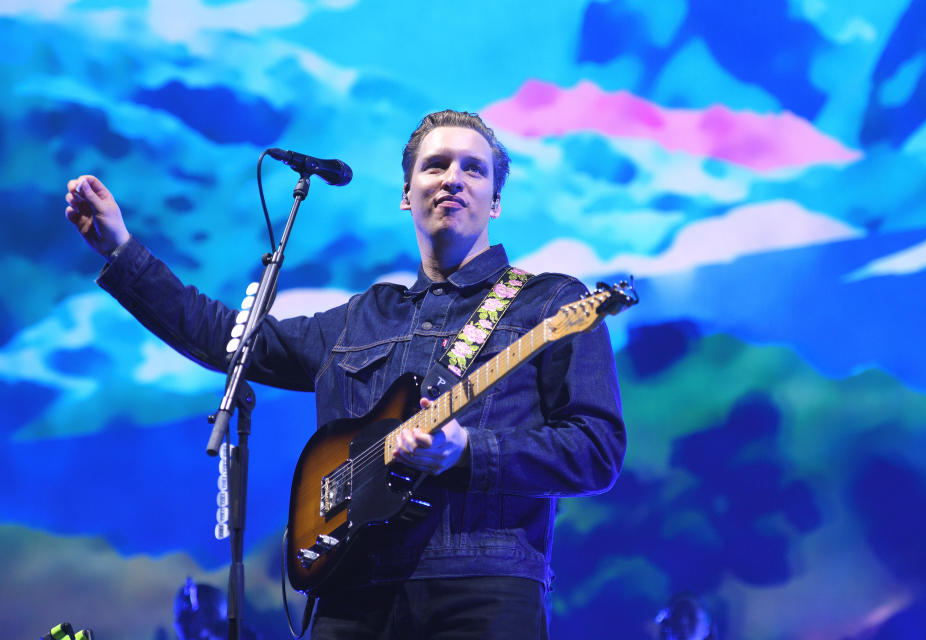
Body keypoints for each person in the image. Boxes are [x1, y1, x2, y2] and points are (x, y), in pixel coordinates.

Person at [64, 110, 626, 639]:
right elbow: (230, 341)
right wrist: (123, 251)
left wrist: (468, 450)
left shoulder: (551, 304)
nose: (452, 178)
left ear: (495, 200)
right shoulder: (362, 317)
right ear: (407, 196)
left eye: (472, 168)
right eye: (435, 165)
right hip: (350, 589)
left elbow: (596, 450)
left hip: (481, 586)